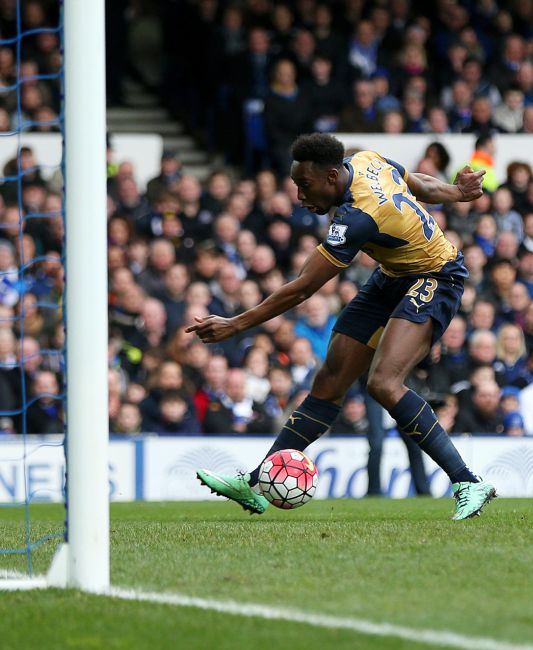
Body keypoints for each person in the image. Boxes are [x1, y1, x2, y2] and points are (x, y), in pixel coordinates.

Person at [189, 133, 496, 520]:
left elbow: (302, 288)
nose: (300, 196)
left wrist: (236, 324)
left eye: (305, 185)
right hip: (392, 275)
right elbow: (412, 182)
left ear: (332, 176)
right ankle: (256, 484)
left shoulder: (356, 218)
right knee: (330, 381)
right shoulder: (367, 159)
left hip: (436, 276)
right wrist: (454, 192)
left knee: (383, 383)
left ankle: (468, 482)